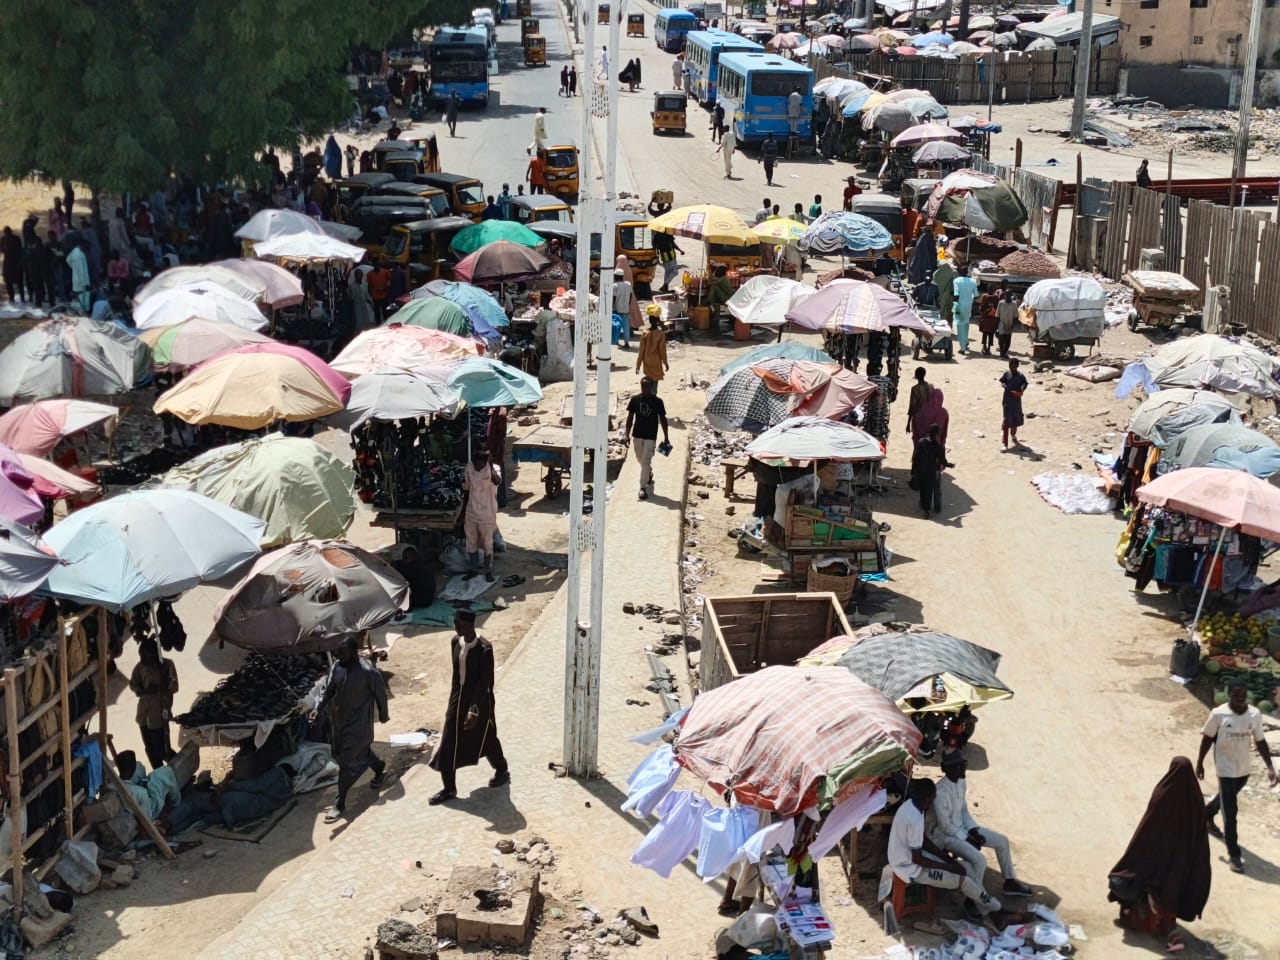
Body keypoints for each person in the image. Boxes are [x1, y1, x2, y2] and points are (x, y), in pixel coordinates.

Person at [1108, 757, 1211, 953]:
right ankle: (1171, 932)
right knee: (1169, 893)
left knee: (1147, 887)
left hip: (1156, 860)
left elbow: (1146, 827)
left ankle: (1150, 923)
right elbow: (1200, 835)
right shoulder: (1195, 800)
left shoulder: (1163, 793)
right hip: (1180, 863)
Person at [1196, 675, 1278, 873]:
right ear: (1229, 695)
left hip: (1243, 768)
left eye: (1242, 696)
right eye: (1235, 696)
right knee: (1230, 813)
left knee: (1227, 798)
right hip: (1225, 768)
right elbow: (1207, 738)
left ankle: (1207, 813)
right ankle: (1234, 854)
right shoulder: (1218, 714)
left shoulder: (1254, 715)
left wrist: (1270, 767)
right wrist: (1199, 763)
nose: (1239, 700)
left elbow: (1260, 741)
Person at [888, 779, 1001, 919]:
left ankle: (985, 906)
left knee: (967, 868)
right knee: (963, 880)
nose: (934, 801)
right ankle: (996, 908)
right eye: (934, 797)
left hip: (908, 857)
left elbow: (924, 841)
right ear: (928, 797)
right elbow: (918, 859)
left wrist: (947, 859)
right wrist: (948, 867)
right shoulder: (914, 818)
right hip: (909, 868)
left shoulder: (912, 805)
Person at [930, 752, 1034, 903]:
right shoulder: (940, 792)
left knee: (1002, 841)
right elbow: (945, 826)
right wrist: (967, 839)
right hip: (947, 836)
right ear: (948, 769)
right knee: (979, 861)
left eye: (963, 764)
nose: (964, 768)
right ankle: (973, 900)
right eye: (960, 766)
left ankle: (1009, 882)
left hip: (964, 829)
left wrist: (973, 830)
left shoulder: (961, 782)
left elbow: (963, 810)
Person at [429, 609, 509, 805]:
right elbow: (456, 676)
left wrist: (474, 710)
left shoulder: (484, 648)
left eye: (460, 624)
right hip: (458, 699)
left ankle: (501, 768)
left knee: (486, 737)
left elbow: (484, 682)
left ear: (471, 625)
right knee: (449, 740)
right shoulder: (455, 642)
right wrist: (453, 701)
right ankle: (449, 788)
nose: (456, 627)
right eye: (455, 623)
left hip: (479, 701)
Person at [318, 636, 389, 822]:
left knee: (347, 761)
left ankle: (339, 803)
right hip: (340, 721)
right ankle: (379, 767)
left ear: (353, 652)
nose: (339, 656)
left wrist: (383, 714)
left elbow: (381, 693)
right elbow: (329, 690)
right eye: (338, 653)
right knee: (354, 753)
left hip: (360, 724)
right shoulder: (337, 667)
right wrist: (318, 708)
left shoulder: (368, 671)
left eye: (343, 653)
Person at [129, 638, 179, 771]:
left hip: (159, 715)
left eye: (146, 656)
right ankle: (160, 773)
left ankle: (180, 768)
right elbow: (133, 684)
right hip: (143, 714)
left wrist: (164, 684)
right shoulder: (140, 667)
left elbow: (175, 687)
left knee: (162, 749)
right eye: (141, 656)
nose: (143, 659)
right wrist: (143, 691)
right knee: (150, 749)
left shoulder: (167, 665)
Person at [625, 377, 669, 500]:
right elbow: (630, 417)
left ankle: (642, 487)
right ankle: (648, 471)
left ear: (651, 387)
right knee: (640, 458)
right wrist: (626, 434)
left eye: (647, 386)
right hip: (637, 435)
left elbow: (663, 419)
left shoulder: (658, 402)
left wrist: (666, 436)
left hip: (651, 436)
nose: (644, 388)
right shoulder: (635, 400)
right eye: (642, 386)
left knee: (645, 461)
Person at [463, 448, 501, 581]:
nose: (477, 467)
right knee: (471, 541)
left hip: (487, 512)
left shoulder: (493, 468)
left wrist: (490, 465)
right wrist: (463, 511)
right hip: (471, 510)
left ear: (485, 462)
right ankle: (473, 569)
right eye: (475, 464)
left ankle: (488, 570)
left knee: (487, 543)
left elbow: (497, 481)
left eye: (479, 464)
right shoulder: (469, 468)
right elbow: (467, 488)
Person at [912, 424, 945, 518]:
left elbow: (916, 457)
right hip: (931, 471)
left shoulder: (921, 442)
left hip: (921, 470)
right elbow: (941, 460)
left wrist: (914, 470)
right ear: (937, 433)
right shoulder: (937, 445)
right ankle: (926, 510)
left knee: (923, 489)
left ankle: (924, 507)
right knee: (929, 490)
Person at [636, 311, 669, 390]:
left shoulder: (645, 333)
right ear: (657, 321)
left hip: (647, 360)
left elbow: (641, 351)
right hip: (656, 361)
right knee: (655, 380)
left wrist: (638, 366)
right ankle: (653, 393)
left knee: (648, 379)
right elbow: (662, 351)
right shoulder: (660, 334)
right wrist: (665, 363)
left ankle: (648, 393)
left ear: (649, 321)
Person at [999, 358, 1028, 448]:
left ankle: (1013, 434)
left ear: (1017, 366)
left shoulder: (1020, 376)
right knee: (1006, 421)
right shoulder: (1007, 374)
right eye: (1010, 366)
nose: (1011, 368)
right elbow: (1002, 380)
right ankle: (1005, 443)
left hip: (1016, 401)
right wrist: (1003, 384)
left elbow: (1025, 384)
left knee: (1015, 419)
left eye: (1013, 366)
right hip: (1007, 400)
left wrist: (1020, 391)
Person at [952, 268, 978, 355]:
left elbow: (956, 294)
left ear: (959, 272)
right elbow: (976, 295)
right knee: (966, 324)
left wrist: (955, 307)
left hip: (960, 305)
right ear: (967, 272)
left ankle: (963, 348)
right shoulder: (972, 281)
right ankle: (966, 343)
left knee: (960, 326)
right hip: (969, 306)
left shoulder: (957, 281)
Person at [487, 406, 509, 508]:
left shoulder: (501, 414)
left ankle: (501, 499)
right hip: (493, 448)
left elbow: (501, 435)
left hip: (496, 451)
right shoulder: (495, 412)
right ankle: (499, 498)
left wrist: (496, 453)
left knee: (498, 474)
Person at [905, 367, 932, 438]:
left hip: (918, 418)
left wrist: (908, 423)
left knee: (918, 439)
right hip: (928, 417)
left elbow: (912, 407)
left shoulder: (915, 389)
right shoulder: (930, 387)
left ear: (916, 375)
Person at [612, 264, 635, 349]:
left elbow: (614, 298)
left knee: (617, 325)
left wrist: (612, 307)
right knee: (626, 326)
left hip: (617, 308)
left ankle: (616, 340)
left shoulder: (615, 286)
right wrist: (628, 304)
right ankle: (626, 342)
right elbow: (631, 295)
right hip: (625, 308)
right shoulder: (628, 284)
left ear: (616, 276)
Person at [66, 239, 90, 312]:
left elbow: (67, 259)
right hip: (81, 282)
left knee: (77, 298)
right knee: (82, 300)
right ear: (83, 245)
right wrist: (84, 284)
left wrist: (74, 268)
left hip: (76, 280)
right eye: (86, 247)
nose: (87, 249)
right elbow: (80, 271)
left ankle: (75, 311)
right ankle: (80, 312)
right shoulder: (79, 255)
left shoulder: (74, 251)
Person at [0, 227, 22, 303]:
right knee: (8, 281)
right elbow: (1, 249)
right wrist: (5, 249)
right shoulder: (3, 239)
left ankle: (21, 297)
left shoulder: (16, 239)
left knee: (18, 280)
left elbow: (20, 250)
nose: (7, 234)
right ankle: (12, 297)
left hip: (15, 262)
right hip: (8, 262)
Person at [996, 290, 1018, 358]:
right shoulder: (1001, 303)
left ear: (1011, 295)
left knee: (1008, 341)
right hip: (1001, 323)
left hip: (1009, 324)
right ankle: (1001, 353)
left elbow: (1015, 316)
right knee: (1001, 339)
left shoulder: (1014, 304)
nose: (1007, 296)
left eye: (1009, 295)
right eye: (1006, 294)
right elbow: (997, 315)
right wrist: (997, 326)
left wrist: (1013, 324)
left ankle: (1004, 352)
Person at [977, 288, 1000, 355]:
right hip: (990, 319)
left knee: (986, 334)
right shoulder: (995, 297)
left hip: (987, 318)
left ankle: (985, 348)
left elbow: (981, 307)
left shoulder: (986, 296)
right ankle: (987, 348)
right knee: (990, 334)